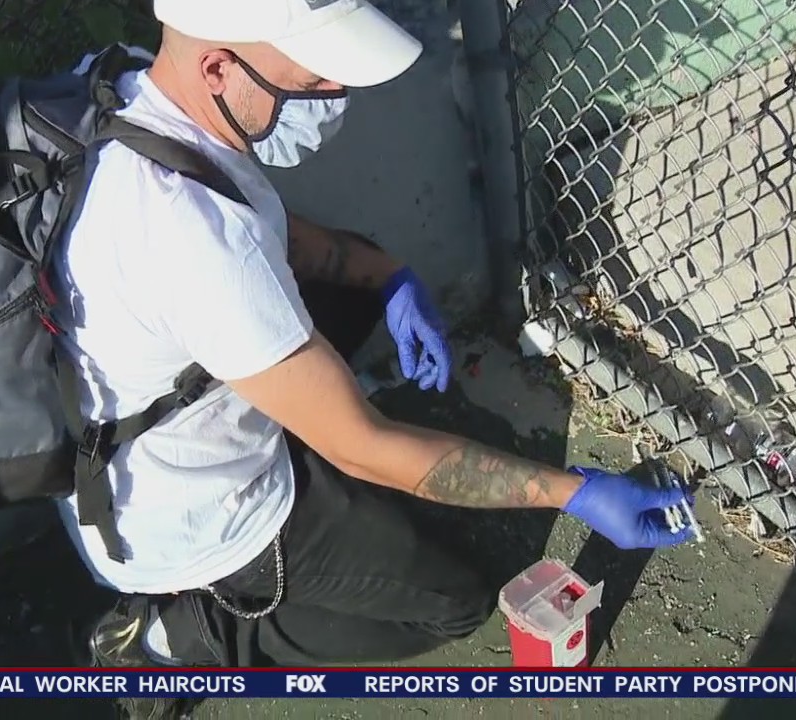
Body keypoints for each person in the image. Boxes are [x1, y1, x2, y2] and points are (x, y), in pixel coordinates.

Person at [53, 1, 696, 717]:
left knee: (342, 289)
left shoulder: (129, 90)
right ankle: (177, 634)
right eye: (317, 77)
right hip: (193, 520)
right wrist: (573, 492)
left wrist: (388, 274)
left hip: (125, 442)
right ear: (218, 68)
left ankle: (305, 415)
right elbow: (366, 448)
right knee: (453, 603)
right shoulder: (193, 241)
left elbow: (265, 229)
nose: (337, 95)